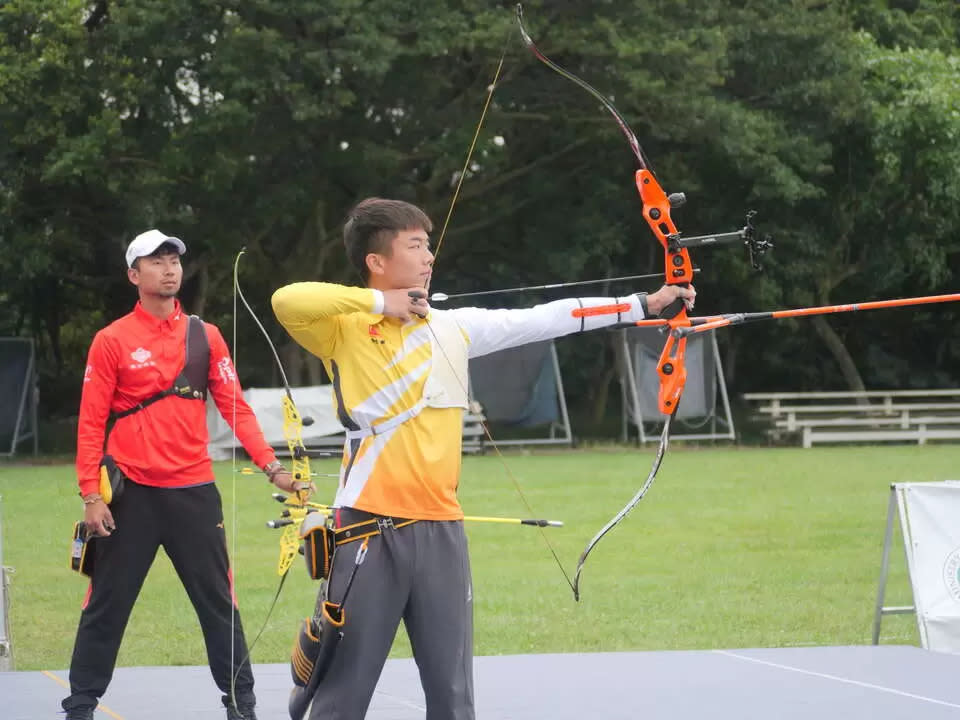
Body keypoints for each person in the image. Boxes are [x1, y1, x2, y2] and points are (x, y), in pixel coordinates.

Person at [271, 198, 695, 720]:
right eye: (415, 245)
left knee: (453, 696)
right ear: (376, 262)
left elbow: (545, 319)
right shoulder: (343, 330)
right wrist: (383, 305)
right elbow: (288, 299)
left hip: (443, 532)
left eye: (428, 245)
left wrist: (643, 305)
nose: (429, 256)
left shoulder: (453, 327)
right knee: (343, 693)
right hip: (368, 529)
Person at [62, 229, 309, 720]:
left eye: (173, 259)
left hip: (194, 492)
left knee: (219, 602)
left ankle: (242, 705)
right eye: (155, 261)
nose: (169, 268)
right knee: (106, 603)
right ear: (134, 275)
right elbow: (90, 422)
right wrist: (91, 494)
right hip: (129, 495)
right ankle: (80, 705)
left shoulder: (205, 336)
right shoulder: (110, 340)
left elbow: (236, 407)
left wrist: (273, 467)